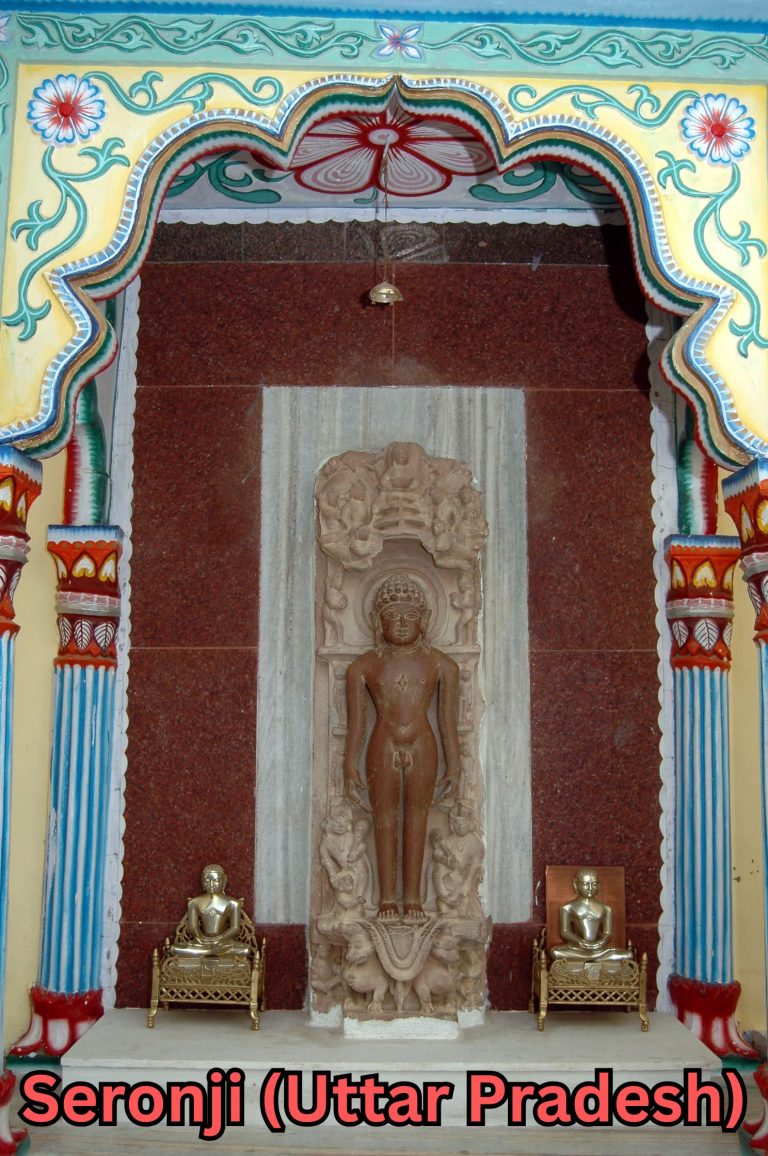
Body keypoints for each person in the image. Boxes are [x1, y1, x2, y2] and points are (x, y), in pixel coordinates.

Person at [344, 572, 459, 922]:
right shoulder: (363, 667)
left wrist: (454, 765)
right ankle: (386, 899)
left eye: (410, 615)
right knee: (384, 818)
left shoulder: (442, 665)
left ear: (425, 619)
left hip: (423, 744)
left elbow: (447, 722)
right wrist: (349, 763)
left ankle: (412, 899)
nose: (402, 623)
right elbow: (357, 726)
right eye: (392, 616)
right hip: (383, 743)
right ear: (377, 622)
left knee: (417, 818)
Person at [550, 868, 631, 963]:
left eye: (594, 884)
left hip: (599, 949)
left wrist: (601, 942)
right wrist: (579, 942)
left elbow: (608, 933)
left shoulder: (606, 908)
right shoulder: (568, 907)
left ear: (598, 886)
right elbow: (565, 932)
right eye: (585, 884)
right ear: (576, 885)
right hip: (578, 948)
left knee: (628, 955)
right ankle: (594, 959)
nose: (590, 888)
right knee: (555, 952)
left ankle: (589, 958)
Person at [169, 864, 249, 958]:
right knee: (174, 949)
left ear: (223, 881)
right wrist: (200, 938)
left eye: (216, 880)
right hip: (201, 943)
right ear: (202, 881)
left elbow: (235, 928)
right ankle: (211, 952)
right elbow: (193, 926)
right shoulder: (194, 902)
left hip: (223, 943)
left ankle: (207, 953)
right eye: (207, 880)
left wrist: (219, 939)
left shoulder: (233, 903)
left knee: (245, 950)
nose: (211, 884)